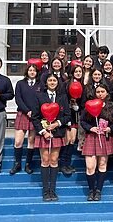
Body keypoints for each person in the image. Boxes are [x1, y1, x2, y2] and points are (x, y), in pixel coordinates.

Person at [31, 73, 71, 201]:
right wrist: (43, 131)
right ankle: (45, 190)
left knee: (54, 160)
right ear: (46, 82)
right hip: (44, 133)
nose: (52, 82)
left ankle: (52, 190)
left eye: (54, 80)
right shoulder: (39, 96)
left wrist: (56, 124)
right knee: (45, 160)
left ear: (58, 82)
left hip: (57, 132)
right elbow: (35, 117)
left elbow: (67, 115)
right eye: (50, 80)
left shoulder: (63, 97)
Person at [80, 83, 113, 201]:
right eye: (98, 92)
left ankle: (99, 191)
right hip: (92, 137)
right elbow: (82, 121)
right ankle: (91, 190)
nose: (100, 94)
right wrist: (90, 128)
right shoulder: (89, 105)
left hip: (105, 137)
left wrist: (110, 128)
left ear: (106, 93)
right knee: (90, 166)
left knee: (102, 165)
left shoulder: (111, 106)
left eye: (102, 92)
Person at [10, 63, 41, 175]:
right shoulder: (20, 83)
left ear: (37, 72)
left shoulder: (40, 85)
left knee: (31, 141)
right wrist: (27, 110)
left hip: (35, 115)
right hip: (23, 113)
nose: (32, 72)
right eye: (30, 70)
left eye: (34, 70)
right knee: (18, 141)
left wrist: (34, 112)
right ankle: (17, 164)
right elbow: (18, 98)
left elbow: (41, 99)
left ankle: (28, 164)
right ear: (27, 71)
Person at [59, 65, 83, 176]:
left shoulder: (83, 84)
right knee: (67, 139)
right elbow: (62, 99)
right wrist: (69, 106)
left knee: (73, 140)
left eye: (80, 71)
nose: (78, 73)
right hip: (67, 114)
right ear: (72, 72)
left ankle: (67, 163)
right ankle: (63, 164)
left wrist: (77, 105)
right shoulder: (66, 84)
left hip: (76, 114)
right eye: (76, 71)